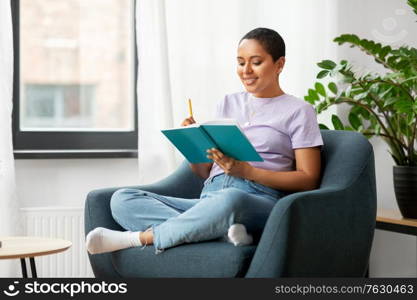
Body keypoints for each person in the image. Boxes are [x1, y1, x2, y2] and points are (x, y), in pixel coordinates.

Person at [86, 27, 323, 255]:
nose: (246, 70)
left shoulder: (299, 111)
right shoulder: (228, 103)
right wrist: (194, 145)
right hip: (208, 200)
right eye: (241, 62)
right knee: (123, 199)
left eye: (256, 62)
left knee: (231, 200)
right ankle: (215, 231)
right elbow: (203, 172)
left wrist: (248, 172)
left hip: (255, 199)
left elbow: (308, 179)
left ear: (279, 64)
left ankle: (139, 239)